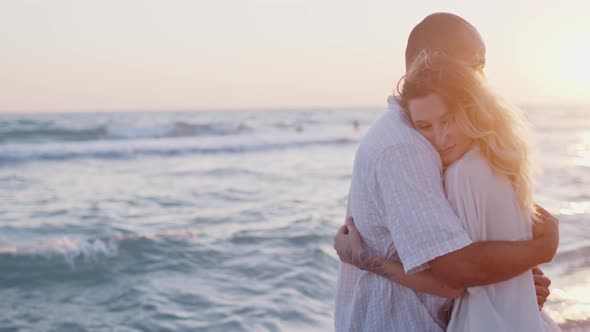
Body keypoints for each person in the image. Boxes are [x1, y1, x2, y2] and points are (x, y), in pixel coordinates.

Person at [332, 13, 559, 332]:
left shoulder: (443, 146)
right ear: (434, 61)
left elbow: (470, 247)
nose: (482, 77)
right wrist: (541, 249)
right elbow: (456, 270)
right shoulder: (405, 147)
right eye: (477, 64)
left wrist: (514, 281)